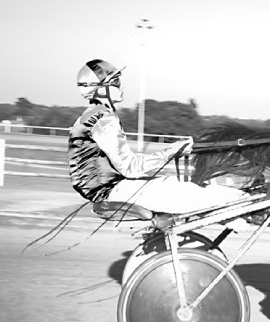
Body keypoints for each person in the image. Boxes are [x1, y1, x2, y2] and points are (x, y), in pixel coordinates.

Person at [68, 59, 250, 216]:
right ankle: (245, 206)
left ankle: (240, 209)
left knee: (176, 183)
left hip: (111, 189)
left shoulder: (92, 115)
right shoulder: (103, 119)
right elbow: (131, 168)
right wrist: (169, 152)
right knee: (188, 191)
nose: (121, 85)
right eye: (115, 81)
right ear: (99, 89)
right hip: (114, 192)